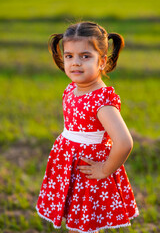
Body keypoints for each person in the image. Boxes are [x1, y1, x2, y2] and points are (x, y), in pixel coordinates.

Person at [35, 21, 139, 233]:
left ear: (102, 61)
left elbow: (124, 142)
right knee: (76, 221)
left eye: (85, 56)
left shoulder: (101, 101)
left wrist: (104, 169)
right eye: (69, 56)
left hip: (88, 170)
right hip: (69, 164)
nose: (75, 63)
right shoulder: (73, 88)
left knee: (84, 225)